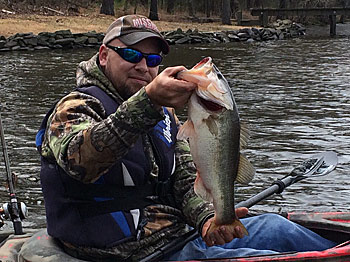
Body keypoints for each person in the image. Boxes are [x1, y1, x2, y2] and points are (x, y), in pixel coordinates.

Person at [36, 14, 336, 262]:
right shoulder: (75, 108)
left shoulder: (165, 115)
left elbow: (183, 180)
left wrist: (207, 219)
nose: (143, 66)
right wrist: (149, 101)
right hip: (128, 250)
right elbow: (81, 160)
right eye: (130, 54)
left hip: (179, 234)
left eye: (152, 58)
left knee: (277, 227)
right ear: (103, 56)